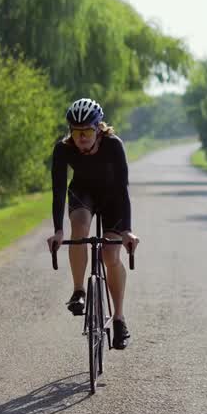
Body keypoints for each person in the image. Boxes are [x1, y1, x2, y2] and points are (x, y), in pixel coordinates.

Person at [46, 98, 140, 349]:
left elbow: (123, 189)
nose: (81, 137)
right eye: (76, 132)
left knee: (110, 255)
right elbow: (57, 191)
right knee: (79, 229)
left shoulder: (113, 145)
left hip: (112, 198)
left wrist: (127, 229)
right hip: (82, 193)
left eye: (87, 131)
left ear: (98, 128)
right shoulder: (63, 149)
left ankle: (119, 318)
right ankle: (79, 291)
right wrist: (57, 230)